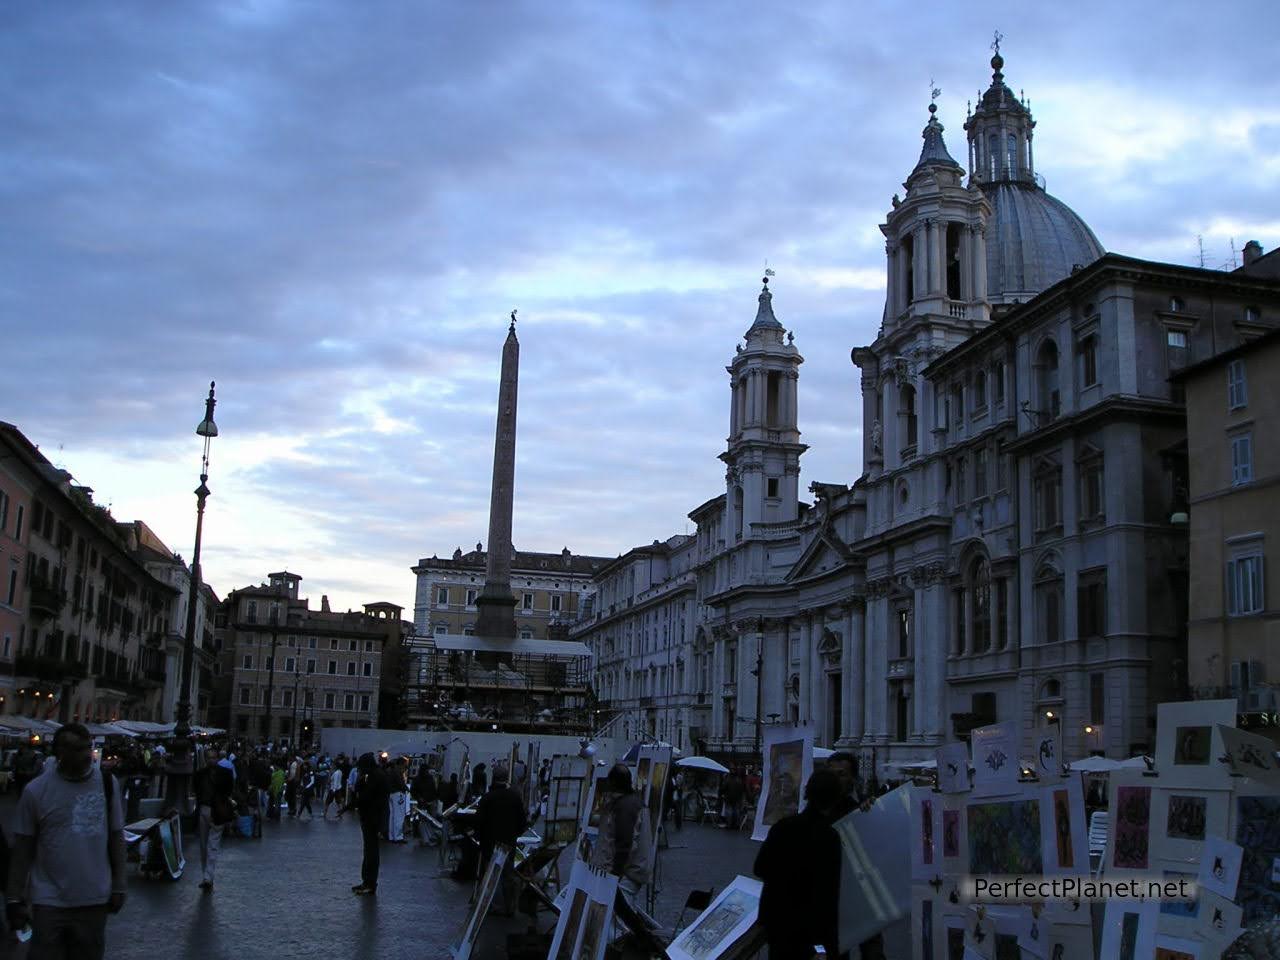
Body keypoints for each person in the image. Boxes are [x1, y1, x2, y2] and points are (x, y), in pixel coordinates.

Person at [6, 723, 126, 960]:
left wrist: (120, 884)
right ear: (59, 752)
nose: (85, 755)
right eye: (76, 749)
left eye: (86, 748)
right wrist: (13, 898)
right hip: (49, 900)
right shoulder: (36, 791)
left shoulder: (106, 784)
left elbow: (116, 837)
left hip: (93, 899)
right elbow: (22, 850)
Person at [753, 769, 842, 960]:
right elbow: (829, 891)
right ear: (835, 799)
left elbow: (759, 867)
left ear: (807, 793)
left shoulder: (782, 827)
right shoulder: (829, 837)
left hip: (778, 922)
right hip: (810, 929)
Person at [473, 767, 528, 916]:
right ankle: (510, 905)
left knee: (491, 873)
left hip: (489, 842)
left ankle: (494, 904)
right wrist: (515, 834)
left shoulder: (488, 797)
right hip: (508, 841)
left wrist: (479, 836)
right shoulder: (515, 797)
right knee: (507, 874)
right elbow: (522, 822)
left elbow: (479, 821)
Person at [590, 764, 650, 896]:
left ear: (614, 783)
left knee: (613, 911)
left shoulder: (625, 807)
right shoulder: (630, 802)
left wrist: (614, 875)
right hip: (629, 873)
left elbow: (625, 844)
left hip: (625, 875)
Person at [346, 754, 390, 895]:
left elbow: (365, 796)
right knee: (370, 851)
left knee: (371, 852)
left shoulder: (374, 777)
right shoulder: (376, 775)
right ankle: (368, 882)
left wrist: (349, 806)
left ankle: (369, 883)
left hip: (372, 819)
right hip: (372, 818)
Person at [193, 750, 236, 890]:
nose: (211, 760)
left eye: (213, 757)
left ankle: (208, 877)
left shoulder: (206, 774)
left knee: (212, 845)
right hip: (206, 809)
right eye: (209, 757)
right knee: (204, 845)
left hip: (216, 811)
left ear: (217, 758)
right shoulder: (203, 774)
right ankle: (206, 875)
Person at [386, 760, 408, 842]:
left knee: (391, 816)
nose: (405, 768)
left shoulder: (391, 772)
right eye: (405, 766)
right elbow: (400, 783)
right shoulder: (397, 772)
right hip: (398, 794)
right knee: (399, 816)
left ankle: (391, 836)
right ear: (401, 764)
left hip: (391, 794)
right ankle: (398, 836)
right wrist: (406, 788)